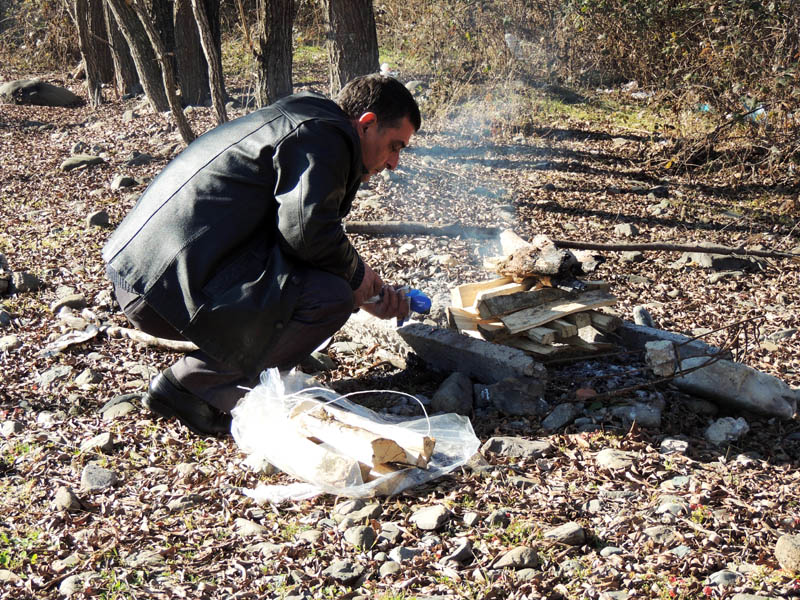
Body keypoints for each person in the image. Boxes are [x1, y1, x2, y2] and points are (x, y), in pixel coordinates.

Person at [103, 74, 421, 436]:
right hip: (164, 285)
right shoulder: (325, 138)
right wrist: (355, 277)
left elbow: (296, 236)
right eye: (395, 146)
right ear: (366, 124)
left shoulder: (305, 122)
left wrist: (364, 289)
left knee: (339, 287)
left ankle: (225, 378)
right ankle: (192, 387)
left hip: (146, 272)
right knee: (332, 297)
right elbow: (307, 231)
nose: (394, 162)